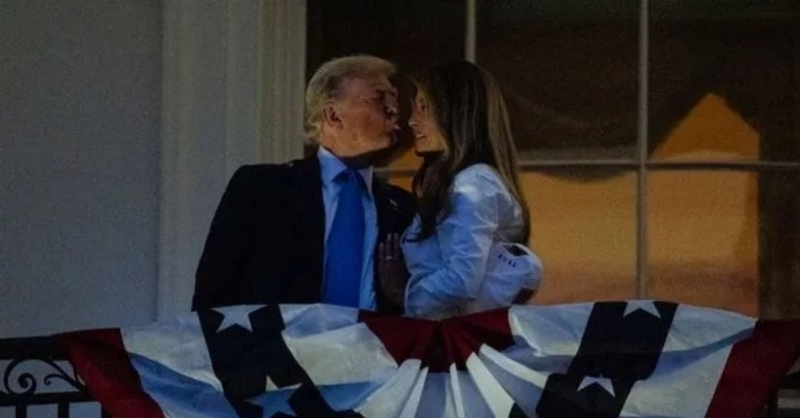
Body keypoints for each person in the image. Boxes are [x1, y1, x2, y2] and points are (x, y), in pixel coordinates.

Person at [192, 55, 415, 314]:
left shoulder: (405, 208)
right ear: (333, 115)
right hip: (279, 339)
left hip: (372, 340)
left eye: (394, 98)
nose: (394, 109)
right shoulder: (262, 189)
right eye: (379, 98)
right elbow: (213, 294)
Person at [378, 61, 543, 319]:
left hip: (456, 338)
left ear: (457, 115)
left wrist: (404, 295)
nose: (411, 121)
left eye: (424, 108)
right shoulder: (469, 182)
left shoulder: (473, 185)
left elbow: (461, 280)